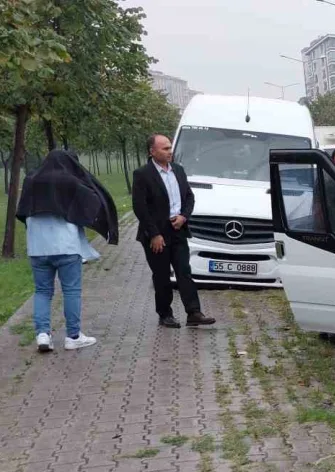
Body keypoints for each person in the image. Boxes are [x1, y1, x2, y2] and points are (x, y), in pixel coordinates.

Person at [16, 149, 119, 352]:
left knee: (42, 291)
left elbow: (22, 210)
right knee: (71, 290)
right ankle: (73, 336)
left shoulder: (31, 180)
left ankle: (43, 335)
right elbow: (93, 200)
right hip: (66, 246)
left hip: (37, 247)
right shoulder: (71, 181)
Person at [132, 134, 216, 328]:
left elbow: (189, 198)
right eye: (164, 148)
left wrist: (183, 217)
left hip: (177, 229)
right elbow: (140, 208)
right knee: (161, 275)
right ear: (152, 152)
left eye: (170, 147)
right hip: (156, 233)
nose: (170, 151)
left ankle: (194, 312)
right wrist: (154, 234)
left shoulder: (178, 170)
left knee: (184, 271)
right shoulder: (142, 174)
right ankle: (165, 314)